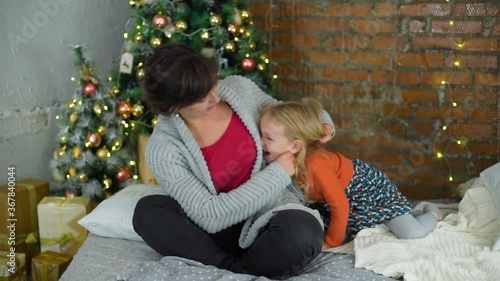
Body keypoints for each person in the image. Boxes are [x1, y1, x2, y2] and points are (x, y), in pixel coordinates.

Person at [132, 44, 335, 279]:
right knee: (147, 211)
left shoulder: (240, 90)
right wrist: (277, 173)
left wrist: (323, 122)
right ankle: (235, 269)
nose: (215, 98)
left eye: (213, 83)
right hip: (214, 229)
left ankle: (236, 269)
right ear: (173, 106)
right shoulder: (163, 147)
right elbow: (208, 215)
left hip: (268, 213)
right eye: (202, 98)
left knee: (302, 231)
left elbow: (288, 115)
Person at [259, 98, 443, 249]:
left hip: (368, 192)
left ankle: (432, 212)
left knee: (411, 233)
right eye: (260, 134)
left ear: (295, 146)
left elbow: (340, 205)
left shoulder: (316, 166)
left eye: (269, 138)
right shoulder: (286, 162)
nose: (260, 142)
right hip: (341, 200)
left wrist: (331, 243)